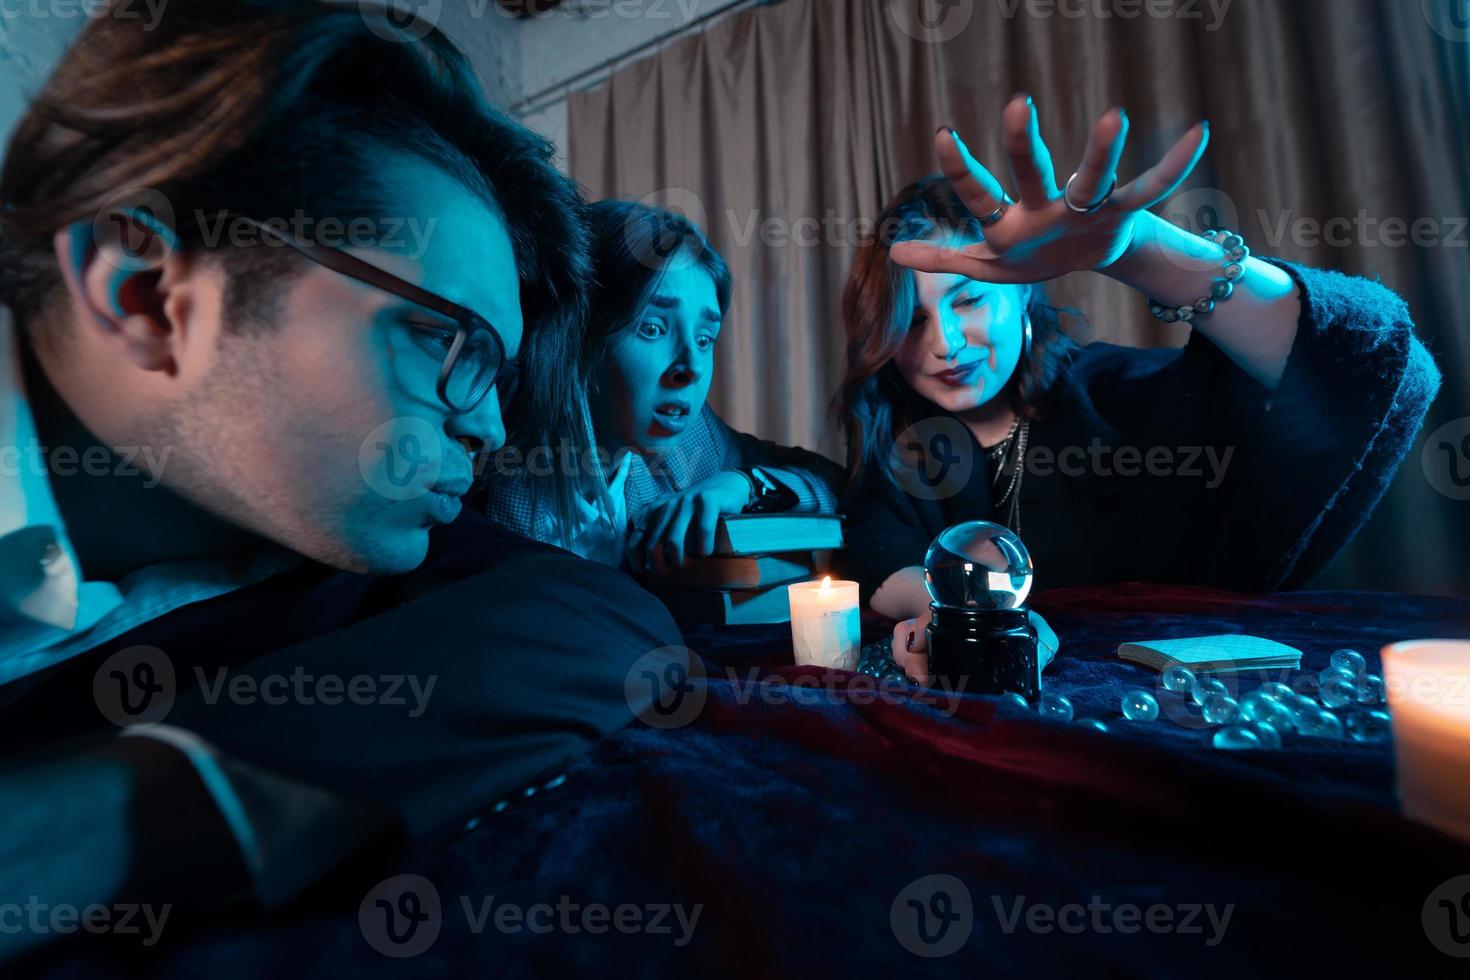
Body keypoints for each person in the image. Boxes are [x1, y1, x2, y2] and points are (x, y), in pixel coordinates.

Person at [0, 0, 681, 962]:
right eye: (448, 342)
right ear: (145, 293)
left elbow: (603, 622)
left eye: (501, 375)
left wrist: (109, 813)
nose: (488, 427)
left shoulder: (331, 537)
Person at [832, 98, 1441, 681]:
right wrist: (952, 608)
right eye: (911, 322)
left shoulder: (1116, 395)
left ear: (1021, 294)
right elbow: (882, 550)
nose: (944, 344)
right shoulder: (903, 443)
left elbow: (1374, 362)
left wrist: (1144, 254)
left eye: (967, 300)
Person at [486, 200, 844, 576]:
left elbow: (835, 484)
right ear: (579, 333)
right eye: (653, 329)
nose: (690, 368)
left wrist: (745, 485)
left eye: (705, 339)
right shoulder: (493, 449)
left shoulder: (691, 441)